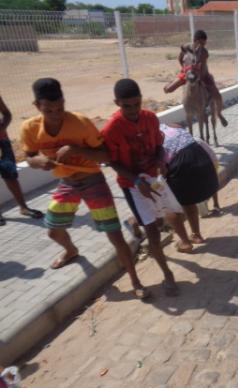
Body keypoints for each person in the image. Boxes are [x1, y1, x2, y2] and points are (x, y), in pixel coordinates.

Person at [20, 78, 148, 299]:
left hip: (92, 180)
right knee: (53, 230)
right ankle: (71, 251)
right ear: (36, 106)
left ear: (64, 101)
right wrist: (37, 161)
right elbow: (29, 155)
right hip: (67, 183)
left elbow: (105, 155)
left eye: (60, 108)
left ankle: (135, 280)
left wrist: (76, 149)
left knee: (114, 234)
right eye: (48, 110)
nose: (56, 113)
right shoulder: (29, 128)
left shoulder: (80, 123)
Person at [102, 78, 194, 297]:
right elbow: (111, 161)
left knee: (173, 214)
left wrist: (161, 161)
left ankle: (136, 221)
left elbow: (159, 147)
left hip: (153, 178)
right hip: (132, 185)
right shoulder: (111, 129)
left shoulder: (151, 119)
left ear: (141, 100)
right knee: (153, 232)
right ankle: (167, 274)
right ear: (117, 103)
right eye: (127, 106)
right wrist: (135, 181)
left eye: (136, 104)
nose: (133, 110)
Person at [160, 123, 220, 243]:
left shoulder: (148, 138)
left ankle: (185, 242)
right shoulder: (170, 125)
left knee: (169, 204)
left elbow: (162, 168)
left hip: (180, 163)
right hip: (200, 156)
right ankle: (196, 234)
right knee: (187, 201)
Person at [163, 30, 227, 128]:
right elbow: (180, 58)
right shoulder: (185, 48)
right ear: (194, 40)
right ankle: (173, 82)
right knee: (168, 89)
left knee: (217, 95)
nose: (202, 45)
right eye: (200, 43)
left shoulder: (204, 52)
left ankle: (219, 113)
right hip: (188, 74)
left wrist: (198, 73)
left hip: (203, 75)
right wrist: (184, 69)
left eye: (204, 43)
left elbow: (200, 63)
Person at [0, 95, 43, 226]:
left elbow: (7, 114)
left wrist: (2, 127)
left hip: (2, 142)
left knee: (11, 175)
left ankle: (23, 208)